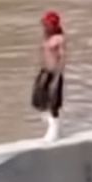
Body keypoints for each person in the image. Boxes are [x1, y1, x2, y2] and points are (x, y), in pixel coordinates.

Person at [30, 11, 67, 142]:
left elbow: (62, 57)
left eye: (47, 24)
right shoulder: (46, 36)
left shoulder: (59, 38)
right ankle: (52, 124)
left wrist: (58, 74)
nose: (45, 26)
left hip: (54, 72)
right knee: (37, 99)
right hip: (44, 70)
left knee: (53, 101)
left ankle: (54, 130)